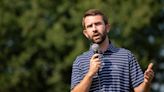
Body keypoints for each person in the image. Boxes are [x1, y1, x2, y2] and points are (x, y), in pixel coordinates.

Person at [71, 9, 154, 92]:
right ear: (86, 33)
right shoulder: (79, 61)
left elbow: (140, 90)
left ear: (107, 28)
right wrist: (90, 74)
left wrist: (147, 82)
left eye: (97, 24)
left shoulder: (127, 56)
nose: (94, 29)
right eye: (90, 26)